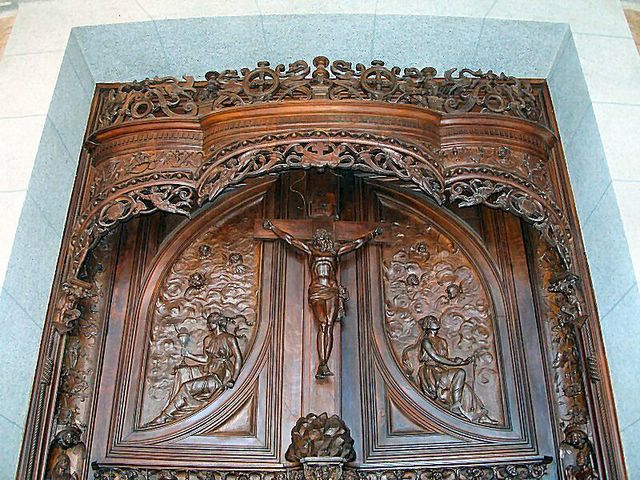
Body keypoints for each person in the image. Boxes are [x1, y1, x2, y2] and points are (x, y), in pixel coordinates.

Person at [263, 219, 382, 379]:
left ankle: (324, 363)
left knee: (329, 325)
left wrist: (372, 234)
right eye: (318, 238)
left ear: (327, 239)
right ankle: (322, 363)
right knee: (322, 325)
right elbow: (290, 239)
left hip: (332, 290)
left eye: (322, 238)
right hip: (317, 290)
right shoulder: (311, 251)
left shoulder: (335, 252)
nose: (320, 240)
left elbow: (356, 244)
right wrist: (273, 228)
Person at [149, 311, 243, 425]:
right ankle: (171, 412)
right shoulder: (208, 339)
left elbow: (238, 358)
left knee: (186, 387)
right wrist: (189, 355)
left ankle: (164, 417)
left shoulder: (229, 338)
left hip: (220, 375)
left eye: (210, 323)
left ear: (217, 323)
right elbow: (205, 359)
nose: (207, 325)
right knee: (183, 372)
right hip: (209, 370)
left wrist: (233, 379)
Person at [404, 315, 496, 424]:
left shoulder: (442, 341)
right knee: (460, 373)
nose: (435, 321)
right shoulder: (426, 341)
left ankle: (481, 415)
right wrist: (455, 364)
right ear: (427, 324)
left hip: (442, 369)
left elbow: (444, 359)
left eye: (435, 320)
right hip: (432, 373)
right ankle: (456, 405)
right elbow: (436, 357)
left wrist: (462, 361)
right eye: (432, 320)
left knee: (466, 388)